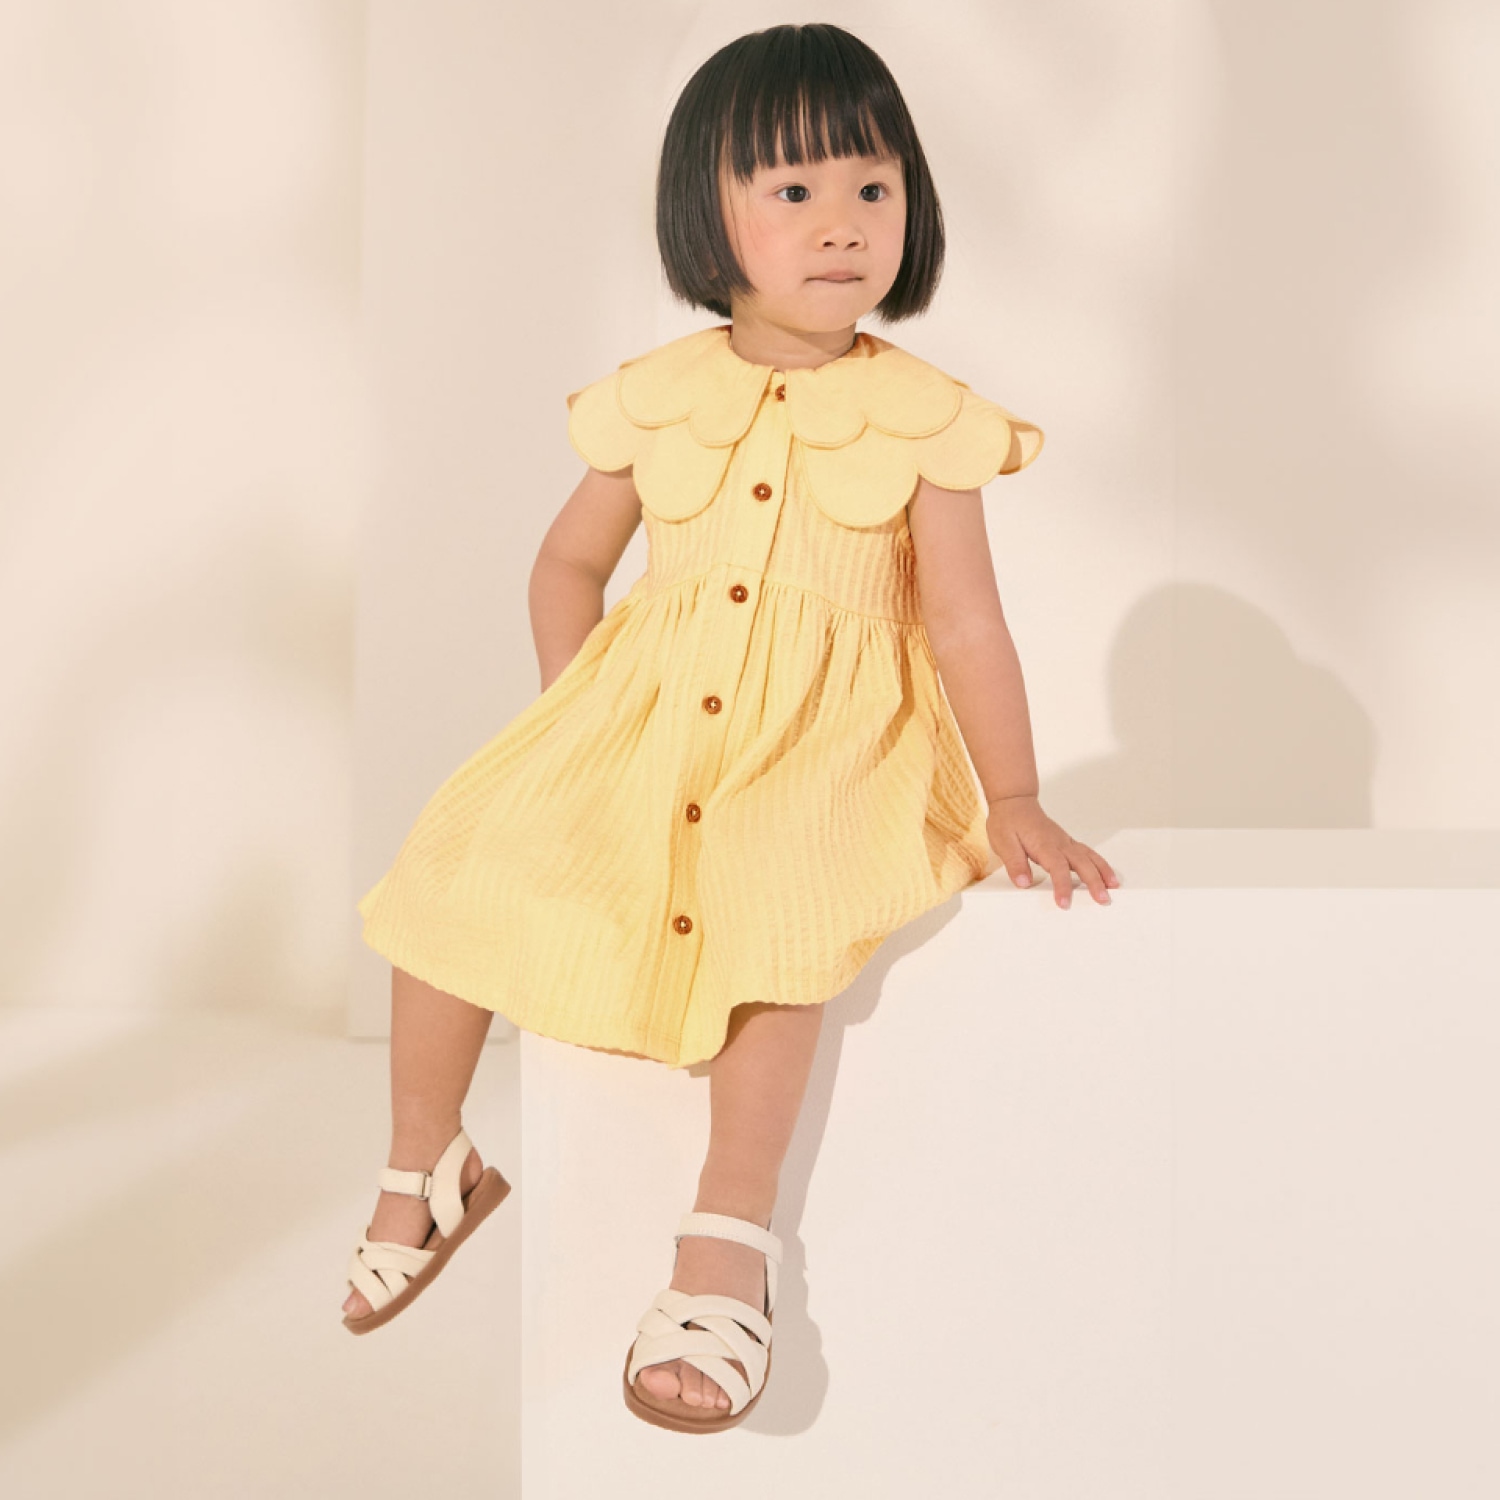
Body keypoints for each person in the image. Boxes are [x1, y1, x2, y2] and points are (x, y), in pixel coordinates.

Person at [340, 22, 1119, 1433]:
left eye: (873, 188)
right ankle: (425, 1160)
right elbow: (565, 566)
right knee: (455, 860)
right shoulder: (658, 398)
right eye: (795, 191)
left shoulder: (926, 419)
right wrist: (581, 713)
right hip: (650, 720)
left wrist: (1011, 792)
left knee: (780, 908)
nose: (843, 224)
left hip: (825, 745)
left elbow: (965, 624)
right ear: (708, 214)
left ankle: (726, 1238)